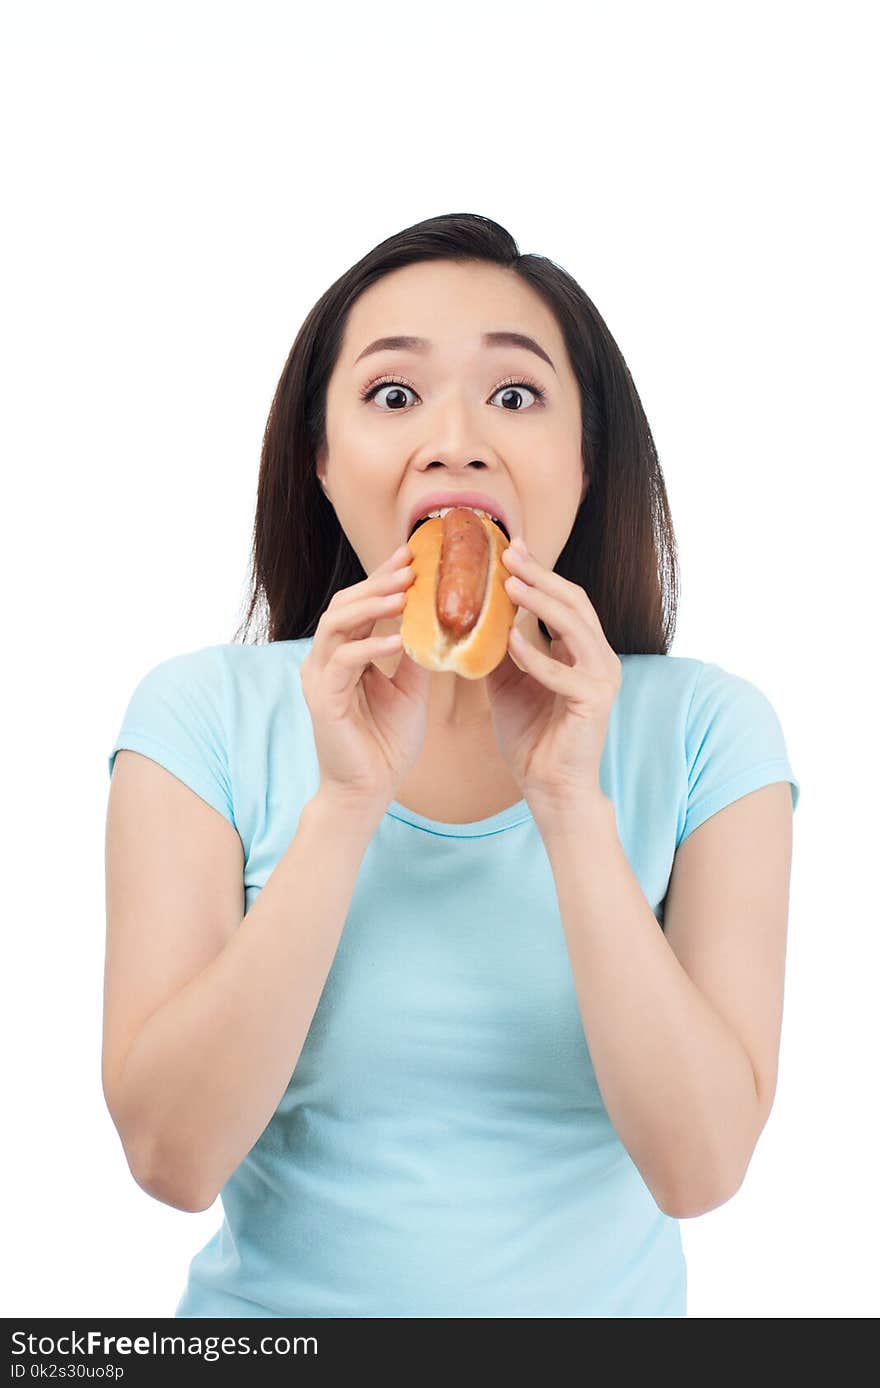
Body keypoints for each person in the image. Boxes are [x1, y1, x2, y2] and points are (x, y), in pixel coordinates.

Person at [103, 212, 801, 1319]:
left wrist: (569, 803)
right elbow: (169, 1157)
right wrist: (347, 801)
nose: (455, 440)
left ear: (585, 460)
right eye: (393, 395)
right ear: (321, 461)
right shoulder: (203, 713)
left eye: (515, 395)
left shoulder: (710, 729)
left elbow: (702, 1167)